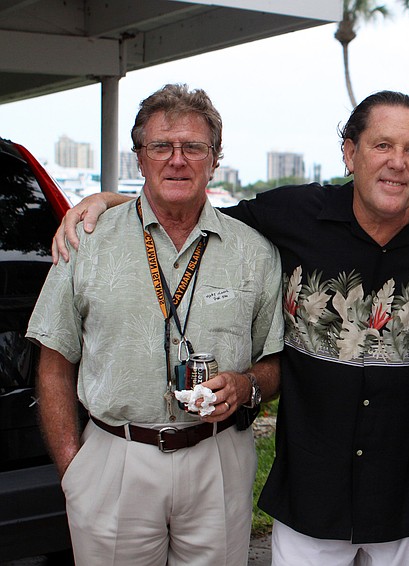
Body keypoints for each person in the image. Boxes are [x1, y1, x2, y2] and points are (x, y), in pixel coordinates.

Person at [52, 91, 409, 566]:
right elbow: (188, 213)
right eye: (382, 145)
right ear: (349, 152)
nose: (397, 163)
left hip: (404, 502)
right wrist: (111, 202)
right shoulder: (293, 215)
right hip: (310, 499)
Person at [29, 84, 284, 564]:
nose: (177, 159)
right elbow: (54, 361)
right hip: (115, 458)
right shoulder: (86, 241)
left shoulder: (254, 251)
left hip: (218, 457)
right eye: (161, 146)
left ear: (215, 159)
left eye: (193, 147)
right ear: (139, 158)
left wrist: (247, 385)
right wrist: (74, 469)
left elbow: (274, 362)